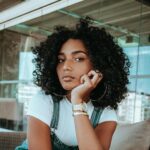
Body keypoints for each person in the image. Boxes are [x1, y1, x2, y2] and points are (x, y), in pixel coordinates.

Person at [17, 17, 130, 150]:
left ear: (99, 65)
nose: (66, 67)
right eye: (60, 60)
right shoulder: (44, 100)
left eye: (78, 58)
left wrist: (77, 101)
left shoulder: (106, 112)